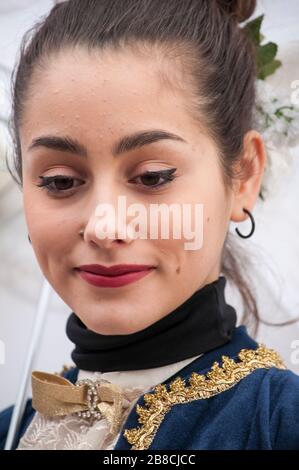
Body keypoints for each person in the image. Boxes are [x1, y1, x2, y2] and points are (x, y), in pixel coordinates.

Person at [1, 0, 299, 450]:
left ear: (243, 175)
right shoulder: (11, 430)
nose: (104, 226)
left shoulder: (278, 426)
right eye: (60, 181)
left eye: (153, 177)